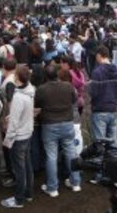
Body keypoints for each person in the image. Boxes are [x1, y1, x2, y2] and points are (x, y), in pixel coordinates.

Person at [35, 65, 80, 197]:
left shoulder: (41, 89)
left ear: (45, 76)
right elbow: (74, 100)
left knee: (51, 156)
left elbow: (37, 104)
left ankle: (52, 188)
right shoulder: (68, 86)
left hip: (49, 124)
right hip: (67, 123)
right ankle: (76, 183)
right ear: (57, 74)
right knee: (71, 153)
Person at [0, 65, 35, 209]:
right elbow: (24, 112)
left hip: (19, 137)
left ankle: (18, 199)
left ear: (17, 78)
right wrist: (12, 116)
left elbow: (14, 124)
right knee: (27, 165)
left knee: (19, 169)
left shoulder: (18, 97)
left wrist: (7, 140)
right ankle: (28, 193)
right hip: (27, 132)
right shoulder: (30, 90)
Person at [89, 46, 117, 147]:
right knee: (114, 145)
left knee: (100, 145)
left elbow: (93, 92)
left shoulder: (97, 72)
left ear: (99, 55)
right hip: (113, 108)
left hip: (100, 109)